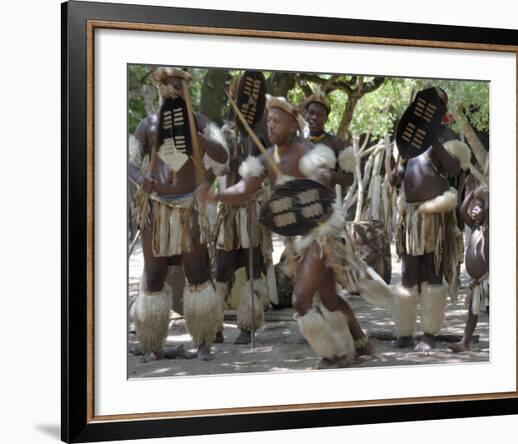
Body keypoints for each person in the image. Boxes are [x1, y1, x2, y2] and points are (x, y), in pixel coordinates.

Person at [199, 95, 373, 369]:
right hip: (298, 240)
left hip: (321, 234)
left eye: (277, 121)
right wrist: (216, 196)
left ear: (293, 125)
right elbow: (244, 190)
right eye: (268, 121)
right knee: (328, 297)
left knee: (300, 299)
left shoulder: (307, 152)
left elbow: (322, 187)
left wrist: (314, 180)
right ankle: (361, 343)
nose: (270, 126)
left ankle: (335, 354)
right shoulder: (267, 158)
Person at [129, 67, 228, 362]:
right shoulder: (148, 125)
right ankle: (153, 344)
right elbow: (129, 161)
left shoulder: (200, 122)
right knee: (154, 276)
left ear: (187, 90)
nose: (174, 92)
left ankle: (203, 342)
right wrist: (140, 178)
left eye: (179, 88)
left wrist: (197, 137)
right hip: (157, 208)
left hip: (189, 209)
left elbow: (223, 156)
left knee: (197, 274)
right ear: (160, 90)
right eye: (169, 88)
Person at [390, 89, 471, 352]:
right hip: (411, 217)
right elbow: (402, 172)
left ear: (442, 112)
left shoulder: (448, 138)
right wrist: (396, 175)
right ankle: (404, 332)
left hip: (435, 218)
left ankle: (428, 334)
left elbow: (454, 170)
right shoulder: (408, 142)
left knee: (433, 272)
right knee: (409, 274)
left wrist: (432, 138)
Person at [215, 113, 272, 344]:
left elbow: (269, 168)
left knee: (253, 268)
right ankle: (214, 325)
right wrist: (229, 163)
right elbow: (216, 168)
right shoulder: (223, 135)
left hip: (251, 211)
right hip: (229, 213)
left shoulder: (261, 137)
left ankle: (248, 327)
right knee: (222, 270)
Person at [449, 186, 489, 352]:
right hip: (476, 282)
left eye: (479, 207)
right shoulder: (474, 226)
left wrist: (486, 196)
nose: (474, 210)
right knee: (472, 312)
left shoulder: (490, 228)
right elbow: (462, 210)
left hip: (488, 278)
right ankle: (465, 342)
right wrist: (473, 194)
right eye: (475, 206)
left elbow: (488, 208)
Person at [302, 90, 354, 187]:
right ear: (305, 115)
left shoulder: (336, 143)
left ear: (326, 118)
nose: (314, 117)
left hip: (325, 200)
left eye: (320, 114)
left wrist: (329, 175)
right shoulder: (297, 141)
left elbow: (350, 179)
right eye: (311, 112)